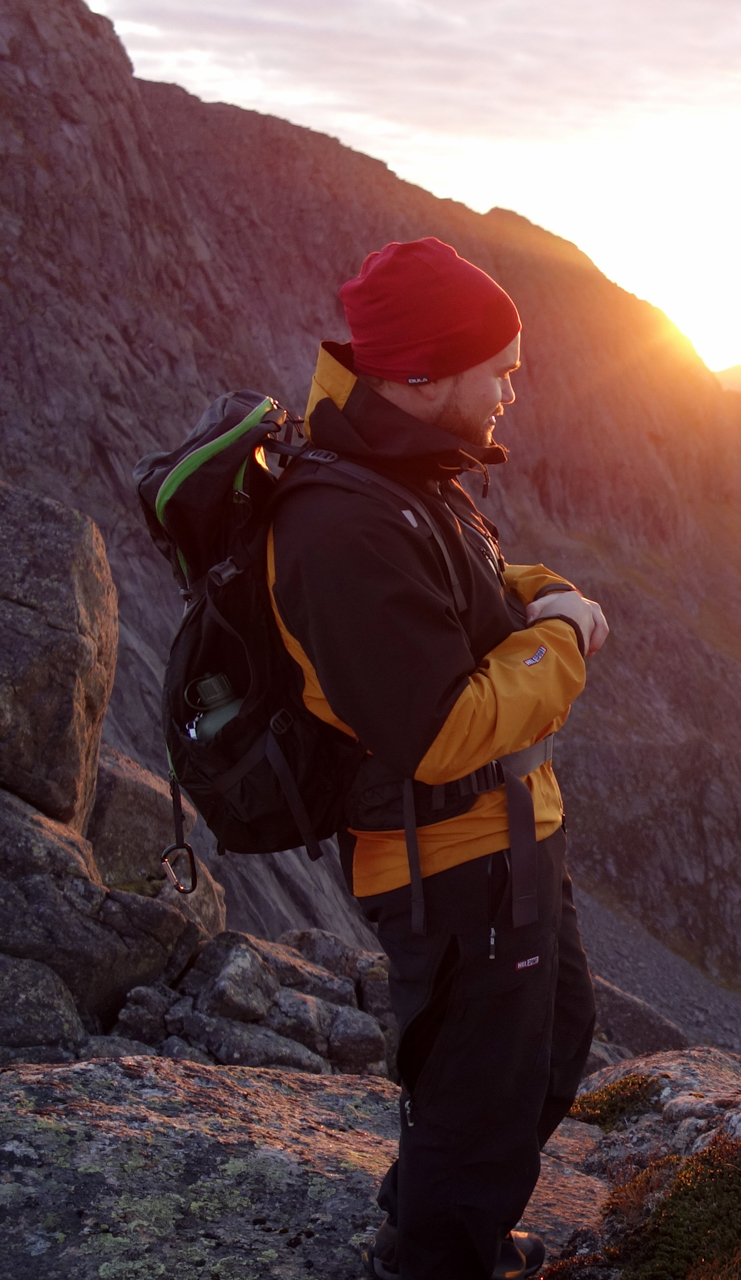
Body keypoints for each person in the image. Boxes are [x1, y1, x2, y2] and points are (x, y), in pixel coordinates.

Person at [267, 237, 609, 1279]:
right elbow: (439, 727)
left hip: (503, 837)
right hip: (451, 862)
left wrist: (540, 596)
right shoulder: (340, 527)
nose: (515, 384)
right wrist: (565, 640)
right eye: (496, 367)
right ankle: (439, 1255)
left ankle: (432, 1222)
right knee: (478, 1085)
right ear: (419, 376)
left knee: (545, 1046)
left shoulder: (402, 473)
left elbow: (473, 582)